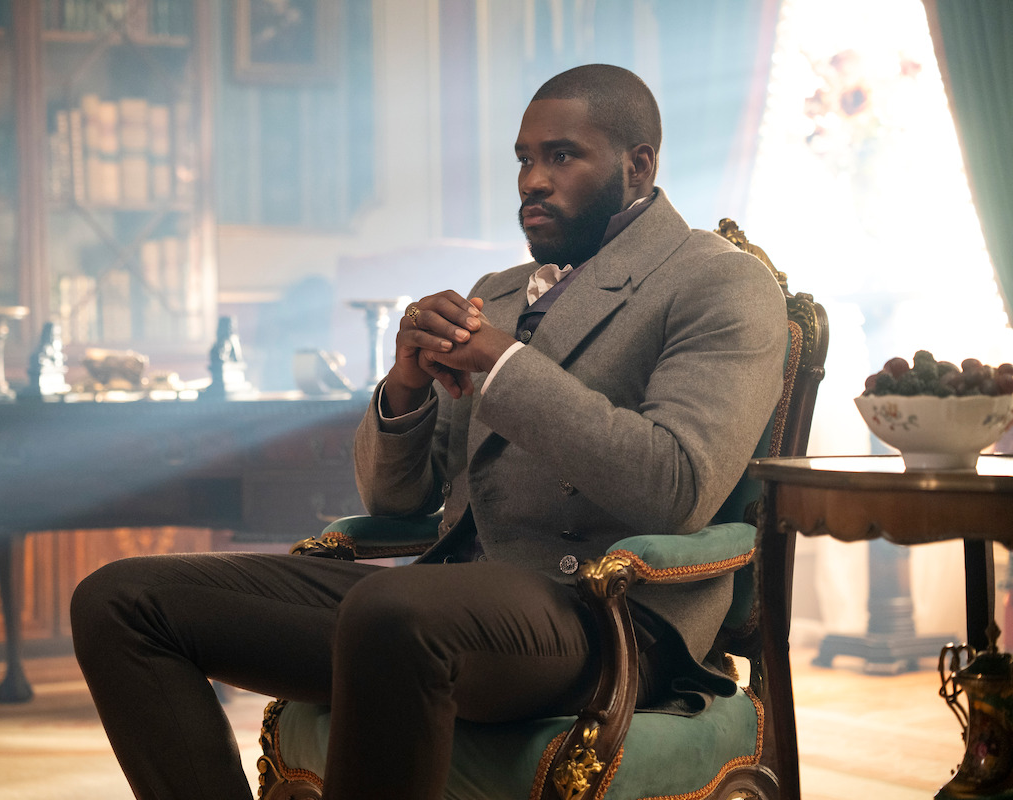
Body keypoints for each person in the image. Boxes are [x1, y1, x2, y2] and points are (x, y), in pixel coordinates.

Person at [70, 63, 788, 800]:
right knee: (120, 600)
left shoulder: (718, 282)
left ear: (638, 165)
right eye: (523, 159)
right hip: (440, 606)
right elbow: (396, 495)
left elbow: (676, 487)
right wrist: (405, 384)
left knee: (395, 611)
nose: (532, 180)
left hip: (605, 618)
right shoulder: (497, 292)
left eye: (561, 156)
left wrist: (504, 365)